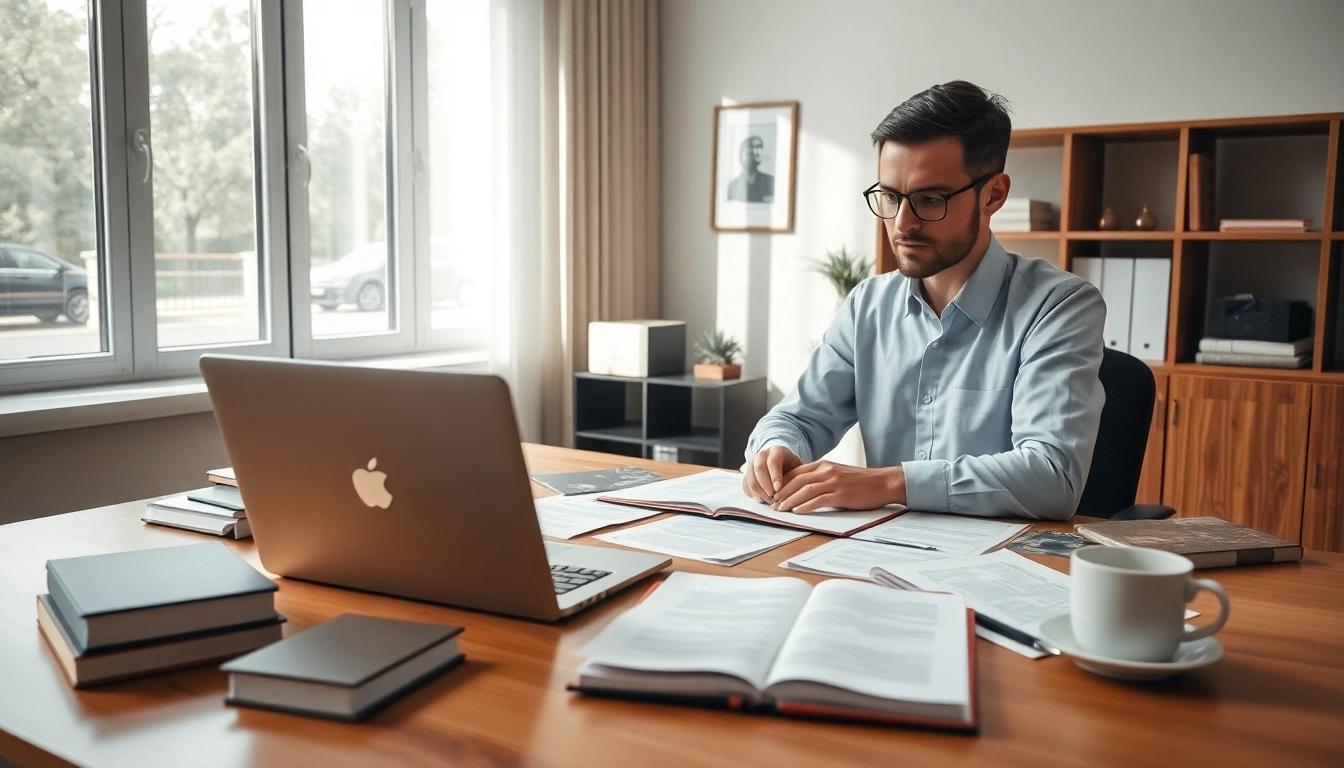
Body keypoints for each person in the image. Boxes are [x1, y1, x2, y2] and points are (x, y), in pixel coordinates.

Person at [740, 80, 1104, 522]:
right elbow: (797, 419)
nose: (901, 223)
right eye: (890, 197)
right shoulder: (867, 306)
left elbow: (1052, 476)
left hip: (999, 567)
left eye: (930, 199)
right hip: (881, 556)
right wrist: (775, 448)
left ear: (993, 195)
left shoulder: (1059, 307)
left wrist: (888, 483)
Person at [726, 135, 775, 203]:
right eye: (751, 147)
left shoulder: (770, 181)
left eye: (759, 147)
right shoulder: (733, 186)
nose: (756, 152)